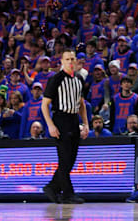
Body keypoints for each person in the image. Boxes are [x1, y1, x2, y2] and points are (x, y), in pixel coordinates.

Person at [41, 49, 88, 204]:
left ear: (76, 61)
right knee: (65, 158)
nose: (70, 61)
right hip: (61, 118)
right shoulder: (56, 79)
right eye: (67, 59)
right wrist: (50, 125)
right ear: (61, 61)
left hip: (74, 119)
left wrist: (85, 123)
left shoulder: (79, 79)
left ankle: (52, 187)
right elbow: (44, 105)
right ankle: (67, 193)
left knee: (71, 159)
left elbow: (81, 104)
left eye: (72, 59)